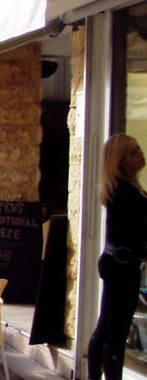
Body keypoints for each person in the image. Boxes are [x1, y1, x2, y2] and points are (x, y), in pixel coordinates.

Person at [88, 134, 147, 380]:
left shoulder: (129, 188)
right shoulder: (123, 191)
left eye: (138, 148)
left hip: (120, 262)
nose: (141, 153)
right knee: (115, 330)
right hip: (121, 264)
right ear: (120, 161)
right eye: (133, 152)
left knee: (108, 326)